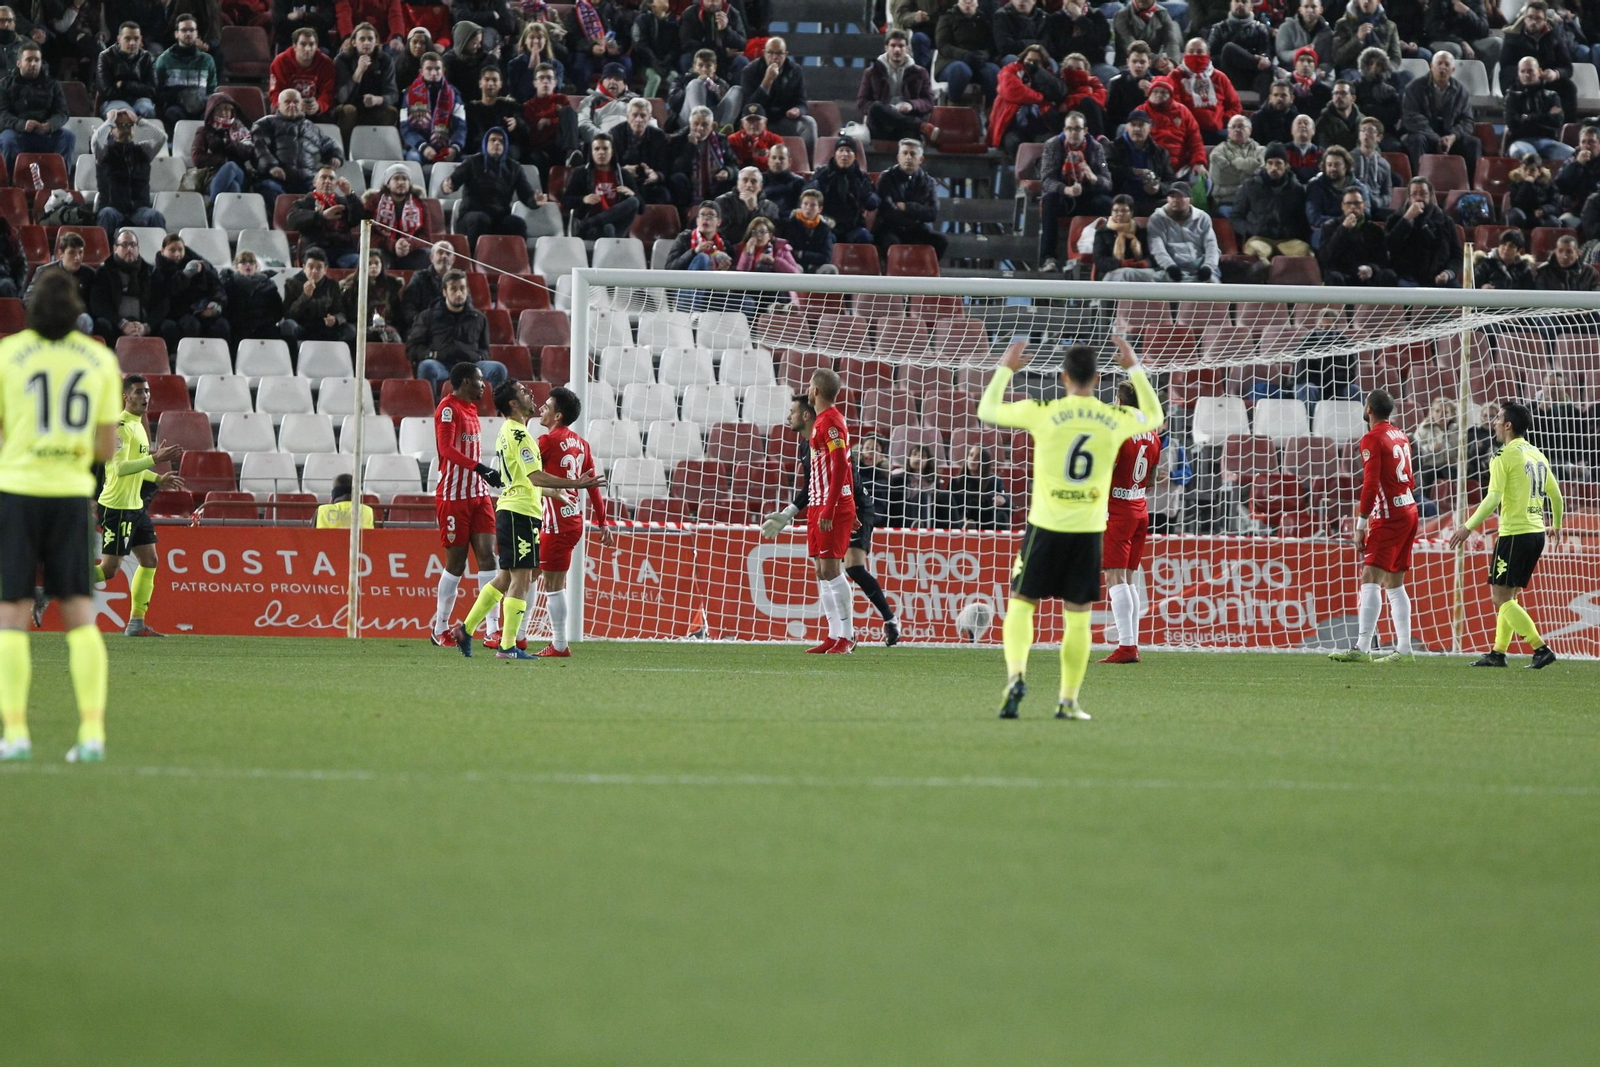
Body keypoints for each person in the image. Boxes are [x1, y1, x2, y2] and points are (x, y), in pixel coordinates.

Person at [979, 335, 1163, 721]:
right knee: (1077, 616)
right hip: (1089, 529)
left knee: (1022, 605)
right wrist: (1133, 364)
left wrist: (1006, 370)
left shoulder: (1042, 410)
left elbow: (988, 409)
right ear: (1097, 378)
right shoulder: (1117, 419)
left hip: (1045, 526)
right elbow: (1156, 416)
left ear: (1063, 377)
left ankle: (1015, 677)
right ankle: (1067, 700)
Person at [0, 270, 121, 763]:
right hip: (71, 496)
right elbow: (107, 447)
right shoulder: (99, 358)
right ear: (77, 310)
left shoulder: (8, 355)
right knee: (79, 616)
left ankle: (16, 735)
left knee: (9, 615)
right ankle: (91, 734)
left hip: (18, 491)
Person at [452, 381, 606, 659]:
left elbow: (525, 479)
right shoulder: (520, 435)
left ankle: (466, 628)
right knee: (521, 579)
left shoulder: (514, 432)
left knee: (505, 578)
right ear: (513, 404)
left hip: (519, 508)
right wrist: (574, 483)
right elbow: (534, 476)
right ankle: (508, 645)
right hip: (519, 513)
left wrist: (554, 493)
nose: (531, 394)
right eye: (523, 392)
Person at [763, 392, 900, 646]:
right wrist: (788, 513)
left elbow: (848, 479)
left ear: (806, 414)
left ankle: (882, 622)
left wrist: (844, 512)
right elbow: (811, 485)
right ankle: (838, 634)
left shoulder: (831, 435)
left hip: (852, 505)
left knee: (851, 567)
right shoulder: (806, 445)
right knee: (823, 570)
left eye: (792, 411)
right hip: (826, 506)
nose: (787, 416)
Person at [1447, 401, 1562, 669]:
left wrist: (1467, 526)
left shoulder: (1502, 456)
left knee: (1500, 598)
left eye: (1498, 418)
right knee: (1510, 597)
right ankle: (1498, 653)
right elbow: (1555, 495)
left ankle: (1540, 648)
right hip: (1536, 533)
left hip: (1514, 535)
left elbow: (1492, 499)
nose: (1495, 423)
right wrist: (1556, 523)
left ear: (1508, 425)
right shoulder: (1537, 454)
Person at [89, 373, 185, 645]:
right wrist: (155, 458)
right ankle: (57, 582)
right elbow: (119, 469)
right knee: (109, 570)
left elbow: (137, 468)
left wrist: (158, 477)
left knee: (150, 560)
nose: (145, 397)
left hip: (135, 506)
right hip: (118, 506)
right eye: (139, 392)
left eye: (147, 392)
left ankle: (136, 623)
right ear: (125, 396)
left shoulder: (138, 426)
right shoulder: (120, 426)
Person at [1330, 389, 1420, 663]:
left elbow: (1370, 484)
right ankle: (1404, 649)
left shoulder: (1372, 438)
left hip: (1389, 513)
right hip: (1409, 508)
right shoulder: (1400, 434)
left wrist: (1360, 524)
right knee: (1394, 582)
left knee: (1369, 577)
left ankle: (1362, 646)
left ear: (1368, 409)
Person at [523, 385, 613, 656]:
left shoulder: (546, 441)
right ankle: (519, 635)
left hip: (556, 523)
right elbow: (593, 485)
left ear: (558, 415)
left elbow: (530, 476)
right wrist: (602, 521)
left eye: (547, 407)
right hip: (571, 520)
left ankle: (559, 644)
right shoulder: (582, 444)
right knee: (529, 575)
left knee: (552, 584)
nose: (542, 409)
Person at [427, 362, 502, 646]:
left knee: (488, 558)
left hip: (478, 496)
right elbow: (446, 449)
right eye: (480, 380)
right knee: (456, 565)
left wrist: (482, 476)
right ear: (466, 381)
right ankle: (440, 627)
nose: (484, 385)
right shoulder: (448, 409)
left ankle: (492, 628)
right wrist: (481, 468)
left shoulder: (472, 409)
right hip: (453, 497)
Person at [795, 368, 860, 654]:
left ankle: (847, 636)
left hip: (829, 505)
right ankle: (834, 634)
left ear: (816, 391)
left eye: (810, 385)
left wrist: (834, 508)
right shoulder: (821, 422)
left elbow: (841, 466)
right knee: (821, 571)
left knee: (833, 569)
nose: (807, 389)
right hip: (818, 502)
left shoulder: (832, 423)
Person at [1099, 378, 1162, 664]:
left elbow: (1105, 470)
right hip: (1140, 509)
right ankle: (1132, 644)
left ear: (1120, 403)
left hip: (1118, 510)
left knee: (1114, 576)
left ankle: (1126, 646)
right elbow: (1153, 478)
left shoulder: (1119, 434)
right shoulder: (1153, 436)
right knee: (1128, 578)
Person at [445, 127, 544, 250]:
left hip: (499, 218)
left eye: (501, 141)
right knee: (480, 220)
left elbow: (526, 194)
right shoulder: (472, 162)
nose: (497, 143)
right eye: (493, 140)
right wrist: (448, 186)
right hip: (470, 216)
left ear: (506, 145)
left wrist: (534, 200)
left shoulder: (514, 168)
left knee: (518, 224)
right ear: (485, 143)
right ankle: (473, 263)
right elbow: (454, 180)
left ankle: (516, 265)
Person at [408, 269, 505, 395]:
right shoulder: (428, 316)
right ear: (445, 292)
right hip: (441, 365)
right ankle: (432, 411)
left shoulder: (479, 318)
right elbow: (413, 348)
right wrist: (434, 355)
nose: (459, 293)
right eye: (453, 289)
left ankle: (496, 411)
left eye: (462, 288)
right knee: (426, 366)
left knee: (498, 369)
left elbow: (485, 349)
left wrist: (479, 357)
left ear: (467, 291)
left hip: (471, 367)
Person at [1038, 111, 1110, 269]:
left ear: (1085, 130)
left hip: (1087, 195)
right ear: (1064, 130)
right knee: (1049, 200)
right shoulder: (1053, 145)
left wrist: (1093, 177)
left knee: (1108, 204)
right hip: (1062, 195)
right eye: (1069, 129)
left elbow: (1107, 182)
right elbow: (1047, 180)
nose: (1073, 133)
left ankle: (1103, 255)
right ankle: (1048, 258)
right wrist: (1065, 190)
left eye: (1077, 129)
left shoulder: (1096, 148)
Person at [252, 87, 345, 203]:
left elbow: (329, 144)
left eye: (296, 102)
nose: (292, 105)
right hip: (276, 179)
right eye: (287, 102)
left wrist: (335, 155)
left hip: (308, 181)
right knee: (269, 189)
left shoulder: (312, 127)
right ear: (278, 104)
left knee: (329, 196)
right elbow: (260, 148)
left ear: (301, 105)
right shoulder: (265, 123)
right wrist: (271, 166)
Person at [1399, 50, 1481, 177]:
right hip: (1424, 135)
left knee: (1473, 143)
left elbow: (1467, 121)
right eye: (1439, 63)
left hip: (1450, 137)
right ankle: (1418, 181)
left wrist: (1453, 136)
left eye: (1447, 64)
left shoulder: (1462, 91)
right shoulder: (1414, 87)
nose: (1442, 67)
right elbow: (1412, 118)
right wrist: (1436, 138)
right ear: (1431, 66)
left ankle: (1470, 186)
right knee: (1416, 140)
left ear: (1453, 70)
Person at [92, 108, 168, 241]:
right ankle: (105, 258)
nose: (126, 129)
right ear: (112, 130)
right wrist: (109, 121)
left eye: (129, 125)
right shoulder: (105, 152)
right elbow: (95, 141)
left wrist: (138, 120)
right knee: (106, 214)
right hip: (113, 209)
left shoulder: (143, 150)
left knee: (155, 216)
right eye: (120, 126)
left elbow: (161, 137)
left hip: (138, 211)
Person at [1118, 181, 1219, 282]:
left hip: (1200, 271)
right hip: (1168, 272)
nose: (1175, 200)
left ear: (1190, 200)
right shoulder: (1157, 218)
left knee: (1213, 282)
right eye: (1172, 196)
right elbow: (1157, 248)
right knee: (1123, 274)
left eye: (1180, 196)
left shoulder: (1202, 217)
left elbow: (1212, 246)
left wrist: (1208, 267)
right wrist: (1170, 266)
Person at [857, 29, 940, 145]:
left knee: (910, 138)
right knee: (875, 107)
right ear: (886, 47)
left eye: (901, 46)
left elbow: (929, 102)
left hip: (905, 124)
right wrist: (888, 109)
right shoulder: (872, 72)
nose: (897, 50)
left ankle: (917, 126)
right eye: (893, 45)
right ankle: (921, 126)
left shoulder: (920, 73)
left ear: (907, 48)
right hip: (881, 124)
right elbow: (862, 102)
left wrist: (911, 105)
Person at [0, 41, 71, 170]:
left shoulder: (53, 84)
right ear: (19, 63)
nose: (33, 64)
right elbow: (2, 114)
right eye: (29, 60)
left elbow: (62, 112)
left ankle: (60, 181)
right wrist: (22, 124)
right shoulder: (4, 85)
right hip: (17, 132)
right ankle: (11, 184)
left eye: (37, 60)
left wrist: (50, 125)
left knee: (68, 137)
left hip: (45, 133)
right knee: (8, 140)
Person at [1233, 144, 1310, 261]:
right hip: (1259, 239)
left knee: (1307, 253)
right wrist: (1253, 228)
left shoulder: (1297, 189)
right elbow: (1236, 218)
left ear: (1286, 165)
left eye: (1278, 163)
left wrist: (1289, 231)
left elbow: (1302, 220)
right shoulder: (1249, 186)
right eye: (1270, 163)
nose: (1274, 167)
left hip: (1287, 241)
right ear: (1265, 165)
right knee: (1256, 253)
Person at [740, 36, 815, 153]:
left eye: (779, 53)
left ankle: (809, 165)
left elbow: (802, 101)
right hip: (760, 122)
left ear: (786, 54)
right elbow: (750, 108)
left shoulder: (795, 70)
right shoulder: (750, 70)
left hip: (783, 118)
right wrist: (767, 81)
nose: (775, 57)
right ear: (764, 53)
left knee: (809, 123)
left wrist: (798, 110)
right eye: (770, 53)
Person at [873, 138, 946, 260]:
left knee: (941, 242)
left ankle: (924, 274)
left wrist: (907, 207)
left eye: (912, 154)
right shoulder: (886, 178)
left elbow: (932, 213)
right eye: (905, 153)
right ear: (898, 157)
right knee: (891, 243)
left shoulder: (928, 182)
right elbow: (887, 210)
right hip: (891, 228)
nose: (908, 157)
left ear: (920, 159)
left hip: (916, 229)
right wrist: (917, 213)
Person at [153, 233, 228, 349]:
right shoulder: (159, 271)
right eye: (172, 250)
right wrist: (184, 275)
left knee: (221, 325)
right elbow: (167, 293)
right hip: (178, 312)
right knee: (190, 325)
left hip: (202, 307)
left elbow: (216, 287)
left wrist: (216, 304)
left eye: (180, 250)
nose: (177, 254)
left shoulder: (200, 266)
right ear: (163, 251)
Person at [1500, 2, 1575, 119]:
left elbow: (1567, 67)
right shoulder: (1512, 36)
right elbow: (1505, 67)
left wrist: (1555, 74)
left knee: (1568, 87)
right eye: (1530, 17)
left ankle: (1567, 129)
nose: (1533, 22)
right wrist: (1528, 73)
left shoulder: (1555, 36)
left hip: (1547, 80)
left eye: (1538, 19)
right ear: (1524, 19)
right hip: (1522, 79)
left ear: (1545, 21)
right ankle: (1520, 124)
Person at [561, 132, 642, 240]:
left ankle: (585, 223)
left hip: (615, 224)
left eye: (605, 149)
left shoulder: (624, 174)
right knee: (608, 228)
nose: (601, 153)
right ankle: (589, 224)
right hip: (591, 228)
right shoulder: (581, 173)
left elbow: (641, 208)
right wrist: (583, 199)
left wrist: (632, 194)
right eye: (597, 149)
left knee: (634, 201)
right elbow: (566, 201)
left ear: (612, 152)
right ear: (592, 152)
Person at [89, 230, 166, 342]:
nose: (129, 249)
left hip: (144, 324)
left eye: (133, 245)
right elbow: (98, 304)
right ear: (115, 248)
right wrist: (122, 324)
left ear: (138, 248)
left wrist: (146, 326)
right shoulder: (104, 271)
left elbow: (162, 303)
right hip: (115, 323)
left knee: (168, 327)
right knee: (102, 325)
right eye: (124, 245)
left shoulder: (151, 271)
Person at [1386, 176, 1461, 286]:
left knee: (1460, 295)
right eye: (1414, 194)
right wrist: (1407, 219)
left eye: (1423, 193)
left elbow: (1457, 255)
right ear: (1409, 197)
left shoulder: (1445, 221)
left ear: (1430, 195)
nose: (1418, 198)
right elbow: (1389, 246)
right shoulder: (1396, 219)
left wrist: (1448, 273)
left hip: (1439, 277)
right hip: (1407, 278)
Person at [285, 164, 363, 267]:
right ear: (314, 182)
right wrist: (321, 216)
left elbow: (357, 219)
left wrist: (349, 195)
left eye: (331, 178)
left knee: (360, 264)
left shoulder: (344, 202)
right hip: (315, 250)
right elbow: (292, 220)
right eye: (323, 177)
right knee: (319, 265)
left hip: (344, 251)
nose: (327, 181)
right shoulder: (304, 202)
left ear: (336, 184)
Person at [333, 21, 399, 140]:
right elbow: (342, 98)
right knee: (349, 110)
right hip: (349, 106)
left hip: (373, 106)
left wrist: (377, 100)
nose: (366, 43)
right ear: (354, 42)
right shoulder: (342, 60)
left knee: (391, 111)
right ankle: (344, 151)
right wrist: (358, 72)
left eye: (370, 39)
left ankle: (381, 149)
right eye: (362, 39)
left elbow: (393, 94)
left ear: (377, 42)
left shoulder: (386, 60)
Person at [1317, 187, 1395, 286]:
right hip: (1342, 275)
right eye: (1349, 203)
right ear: (1342, 206)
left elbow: (1383, 260)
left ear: (1364, 205)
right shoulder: (1329, 226)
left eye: (1357, 203)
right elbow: (1325, 259)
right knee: (1333, 277)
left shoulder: (1375, 229)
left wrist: (1372, 269)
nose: (1353, 207)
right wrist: (1343, 229)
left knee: (1388, 275)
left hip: (1368, 276)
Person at [807, 138, 877, 245]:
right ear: (835, 154)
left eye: (849, 151)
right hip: (828, 226)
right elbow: (807, 197)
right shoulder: (822, 175)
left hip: (853, 227)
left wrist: (865, 197)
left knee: (864, 236)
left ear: (855, 156)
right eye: (841, 150)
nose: (844, 154)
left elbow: (874, 203)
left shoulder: (862, 177)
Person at [363, 163, 432, 270]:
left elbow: (426, 238)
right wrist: (392, 245)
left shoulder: (420, 204)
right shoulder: (373, 202)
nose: (401, 182)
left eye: (404, 179)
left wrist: (410, 244)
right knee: (376, 258)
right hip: (383, 249)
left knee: (428, 256)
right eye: (396, 178)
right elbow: (369, 236)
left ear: (409, 183)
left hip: (410, 251)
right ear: (387, 184)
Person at [281, 247, 354, 348]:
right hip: (302, 328)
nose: (314, 271)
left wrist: (335, 319)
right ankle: (293, 361)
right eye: (310, 267)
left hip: (325, 328)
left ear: (325, 269)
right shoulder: (292, 283)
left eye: (319, 267)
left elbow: (341, 312)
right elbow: (289, 315)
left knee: (350, 330)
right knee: (288, 326)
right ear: (304, 268)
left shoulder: (332, 285)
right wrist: (305, 297)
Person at [1172, 37, 1241, 143]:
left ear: (1207, 55)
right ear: (1184, 55)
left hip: (1218, 131)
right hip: (1187, 131)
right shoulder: (1176, 76)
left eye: (1199, 52)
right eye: (1191, 52)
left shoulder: (1219, 77)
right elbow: (1173, 107)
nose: (1195, 55)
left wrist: (1221, 119)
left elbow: (1235, 106)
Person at [1107, 108, 1175, 214]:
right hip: (1121, 197)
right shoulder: (1113, 147)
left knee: (1173, 204)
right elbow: (1109, 173)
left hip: (1151, 198)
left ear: (1149, 127)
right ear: (1126, 127)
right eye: (1133, 125)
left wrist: (1158, 188)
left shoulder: (1160, 152)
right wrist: (1134, 172)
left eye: (1141, 125)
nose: (1137, 129)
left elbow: (1170, 182)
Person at [667, 104, 734, 211]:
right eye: (696, 124)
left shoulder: (721, 140)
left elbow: (734, 164)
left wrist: (728, 171)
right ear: (690, 124)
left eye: (705, 124)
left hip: (714, 186)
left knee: (731, 181)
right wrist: (691, 146)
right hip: (688, 190)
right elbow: (676, 168)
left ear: (712, 126)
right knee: (677, 178)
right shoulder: (678, 139)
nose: (699, 128)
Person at [191, 92, 256, 202]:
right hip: (213, 176)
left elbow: (248, 152)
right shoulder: (204, 131)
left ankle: (210, 208)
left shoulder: (241, 129)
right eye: (219, 109)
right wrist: (223, 160)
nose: (224, 113)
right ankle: (221, 215)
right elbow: (197, 158)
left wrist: (227, 143)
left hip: (240, 174)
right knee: (233, 187)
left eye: (227, 109)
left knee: (231, 166)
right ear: (211, 112)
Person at [1504, 56, 1572, 162]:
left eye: (1530, 70)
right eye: (1523, 71)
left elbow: (1558, 120)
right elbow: (1512, 124)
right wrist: (1546, 117)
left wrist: (1527, 118)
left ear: (1539, 71)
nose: (1527, 74)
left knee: (1572, 155)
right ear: (1518, 73)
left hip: (1547, 141)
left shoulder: (1551, 96)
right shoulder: (1512, 96)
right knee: (1527, 156)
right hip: (1520, 141)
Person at [401, 52, 465, 164]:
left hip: (447, 148)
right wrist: (423, 146)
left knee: (466, 162)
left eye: (437, 69)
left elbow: (461, 127)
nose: (434, 73)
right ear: (421, 72)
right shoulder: (409, 94)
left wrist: (454, 148)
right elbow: (405, 128)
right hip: (418, 148)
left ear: (443, 71)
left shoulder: (454, 94)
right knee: (413, 158)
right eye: (429, 69)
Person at [155, 13, 217, 127]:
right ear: (176, 34)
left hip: (201, 107)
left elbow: (212, 91)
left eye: (191, 30)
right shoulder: (164, 60)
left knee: (210, 115)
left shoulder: (208, 60)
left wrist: (200, 100)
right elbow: (157, 92)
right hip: (176, 107)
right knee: (172, 113)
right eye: (184, 30)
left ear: (196, 33)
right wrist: (178, 96)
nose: (188, 33)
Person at [609, 97, 672, 205]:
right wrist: (622, 171)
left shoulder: (659, 136)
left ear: (649, 118)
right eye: (634, 115)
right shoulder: (614, 134)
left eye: (643, 116)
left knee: (663, 195)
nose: (639, 119)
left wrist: (657, 175)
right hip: (622, 182)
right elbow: (607, 166)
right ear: (628, 117)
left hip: (648, 183)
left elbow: (665, 166)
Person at [521, 63, 579, 179]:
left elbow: (570, 122)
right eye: (541, 78)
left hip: (561, 143)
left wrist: (548, 122)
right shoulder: (528, 106)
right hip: (541, 147)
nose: (545, 81)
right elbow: (534, 133)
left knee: (568, 111)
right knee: (537, 157)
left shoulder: (562, 99)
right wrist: (556, 120)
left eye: (549, 78)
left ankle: (571, 154)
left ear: (555, 82)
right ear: (535, 83)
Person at [937, 0, 1000, 106]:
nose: (968, 4)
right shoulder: (947, 18)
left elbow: (992, 45)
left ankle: (992, 109)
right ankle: (953, 105)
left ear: (977, 3)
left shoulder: (984, 20)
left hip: (977, 61)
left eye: (971, 1)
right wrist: (963, 55)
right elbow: (943, 45)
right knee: (961, 70)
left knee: (993, 71)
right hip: (951, 61)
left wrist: (986, 54)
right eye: (964, 1)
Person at [1142, 75, 1208, 178]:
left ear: (1171, 95)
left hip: (1180, 167)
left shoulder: (1183, 111)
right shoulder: (1141, 112)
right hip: (1149, 165)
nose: (1158, 95)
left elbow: (1195, 140)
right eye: (1155, 91)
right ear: (1149, 93)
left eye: (1163, 92)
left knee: (1203, 179)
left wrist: (1198, 162)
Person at [1208, 0, 1275, 100]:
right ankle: (1275, 69)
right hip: (1228, 75)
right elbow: (1210, 58)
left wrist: (1264, 58)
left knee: (1266, 73)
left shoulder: (1260, 29)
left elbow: (1265, 53)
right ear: (1230, 5)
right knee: (1228, 49)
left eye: (1244, 2)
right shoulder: (1219, 29)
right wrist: (1235, 58)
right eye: (1237, 1)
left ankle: (1265, 113)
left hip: (1252, 76)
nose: (1240, 4)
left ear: (1251, 6)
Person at [1304, 145, 1370, 247]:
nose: (1333, 168)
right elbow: (1314, 217)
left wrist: (1347, 223)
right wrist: (1342, 222)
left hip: (1354, 227)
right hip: (1325, 229)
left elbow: (1366, 213)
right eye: (1329, 165)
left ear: (1346, 166)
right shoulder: (1315, 186)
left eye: (1337, 165)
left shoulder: (1360, 187)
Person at [343, 247, 406, 342]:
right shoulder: (351, 285)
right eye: (369, 263)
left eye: (376, 263)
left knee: (394, 337)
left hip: (385, 325)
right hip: (359, 326)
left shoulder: (392, 284)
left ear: (382, 265)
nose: (373, 266)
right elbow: (348, 312)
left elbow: (396, 312)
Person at [96, 21, 157, 119]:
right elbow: (107, 92)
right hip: (113, 101)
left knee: (148, 111)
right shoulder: (105, 57)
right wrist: (139, 88)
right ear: (119, 39)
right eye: (127, 39)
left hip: (140, 100)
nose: (132, 43)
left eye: (136, 39)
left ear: (140, 39)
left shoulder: (147, 57)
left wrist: (125, 85)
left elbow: (152, 90)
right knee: (125, 114)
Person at [268, 26, 333, 118]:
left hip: (314, 111)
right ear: (294, 46)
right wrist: (287, 105)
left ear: (316, 46)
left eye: (311, 44)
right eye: (303, 44)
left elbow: (328, 92)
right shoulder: (280, 62)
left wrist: (319, 105)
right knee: (274, 108)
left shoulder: (326, 63)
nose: (307, 48)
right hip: (288, 108)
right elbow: (275, 92)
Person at [223, 248, 283, 346]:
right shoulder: (230, 285)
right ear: (236, 266)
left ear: (256, 265)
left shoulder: (269, 285)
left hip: (264, 328)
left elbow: (277, 311)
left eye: (251, 262)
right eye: (243, 262)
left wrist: (263, 323)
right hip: (239, 328)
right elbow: (228, 311)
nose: (248, 265)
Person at [1048, 0, 1115, 85]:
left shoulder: (1096, 15)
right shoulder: (1055, 19)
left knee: (1111, 73)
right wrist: (1088, 41)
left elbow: (1102, 40)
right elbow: (1060, 47)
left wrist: (1080, 18)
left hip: (1093, 64)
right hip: (1064, 64)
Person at [670, 47, 740, 129]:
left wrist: (718, 93)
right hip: (688, 119)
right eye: (700, 65)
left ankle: (723, 128)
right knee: (696, 83)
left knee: (737, 89)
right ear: (694, 67)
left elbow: (727, 106)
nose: (704, 69)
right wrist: (692, 87)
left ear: (714, 68)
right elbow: (674, 104)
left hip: (713, 122)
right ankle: (701, 125)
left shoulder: (721, 83)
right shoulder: (681, 79)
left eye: (708, 66)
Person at [1208, 112, 1263, 215]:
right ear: (1228, 131)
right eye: (1233, 127)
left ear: (1250, 130)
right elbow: (1221, 178)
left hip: (1254, 201)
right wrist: (1249, 172)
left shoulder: (1261, 150)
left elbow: (1262, 176)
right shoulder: (1218, 151)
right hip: (1226, 201)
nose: (1237, 129)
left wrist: (1234, 162)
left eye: (1241, 126)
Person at [1334, 0, 1402, 81]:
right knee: (1351, 77)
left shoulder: (1390, 26)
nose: (1366, 1)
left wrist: (1383, 69)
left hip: (1382, 72)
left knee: (1406, 76)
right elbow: (1338, 57)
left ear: (1378, 1)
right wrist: (1357, 39)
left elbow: (1396, 58)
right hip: (1354, 70)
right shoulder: (1343, 24)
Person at [680, 0, 747, 81]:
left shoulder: (733, 13)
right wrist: (718, 52)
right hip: (701, 55)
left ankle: (734, 92)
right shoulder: (690, 13)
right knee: (686, 59)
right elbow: (686, 42)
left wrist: (726, 29)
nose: (712, 4)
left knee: (742, 61)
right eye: (709, 0)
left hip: (725, 59)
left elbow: (742, 43)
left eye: (716, 0)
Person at [1425, 0, 1502, 68]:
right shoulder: (1437, 2)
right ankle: (1451, 82)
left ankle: (1480, 79)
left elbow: (1484, 31)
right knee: (1455, 49)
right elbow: (1434, 31)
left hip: (1470, 42)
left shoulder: (1476, 2)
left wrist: (1467, 12)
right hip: (1443, 40)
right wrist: (1461, 42)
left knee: (1496, 43)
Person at [779, 188, 837, 274]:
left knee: (831, 269)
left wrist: (802, 254)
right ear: (800, 206)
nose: (808, 207)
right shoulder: (790, 224)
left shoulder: (825, 228)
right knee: (793, 269)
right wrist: (811, 255)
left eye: (813, 205)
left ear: (820, 209)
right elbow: (788, 252)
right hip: (795, 264)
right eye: (805, 204)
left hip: (816, 266)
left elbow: (826, 257)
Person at [631, 0, 681, 100]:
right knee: (655, 78)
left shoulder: (672, 21)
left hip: (666, 64)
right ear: (651, 4)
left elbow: (676, 46)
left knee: (675, 79)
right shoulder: (642, 19)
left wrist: (668, 60)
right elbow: (640, 45)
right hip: (645, 64)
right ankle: (644, 107)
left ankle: (676, 109)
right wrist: (654, 61)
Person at [506, 20, 567, 102]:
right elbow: (517, 94)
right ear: (525, 41)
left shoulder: (557, 65)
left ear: (545, 41)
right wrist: (531, 70)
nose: (535, 41)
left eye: (539, 37)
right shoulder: (514, 64)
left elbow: (555, 90)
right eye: (531, 37)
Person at [576, 62, 636, 143]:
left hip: (633, 142)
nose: (613, 81)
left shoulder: (635, 101)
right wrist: (601, 137)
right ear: (602, 81)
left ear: (624, 84)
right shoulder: (590, 101)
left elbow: (650, 122)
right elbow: (583, 123)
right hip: (603, 145)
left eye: (617, 79)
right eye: (608, 78)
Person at [1112, 0, 1182, 66]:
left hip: (1156, 64)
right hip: (1128, 65)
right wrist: (1156, 60)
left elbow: (1172, 41)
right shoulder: (1122, 15)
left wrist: (1172, 62)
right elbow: (1130, 45)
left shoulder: (1162, 13)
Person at [1106, 40, 1154, 129]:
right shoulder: (1116, 83)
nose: (1138, 65)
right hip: (1124, 127)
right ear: (1128, 62)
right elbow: (1111, 117)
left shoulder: (1156, 84)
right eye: (1134, 61)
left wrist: (1150, 97)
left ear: (1149, 63)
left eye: (1142, 62)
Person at [1534, 233, 1600, 289]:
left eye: (1569, 252)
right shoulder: (1544, 271)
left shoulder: (1589, 272)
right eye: (1560, 251)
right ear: (1555, 252)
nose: (1564, 256)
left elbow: (1595, 298)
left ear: (1578, 253)